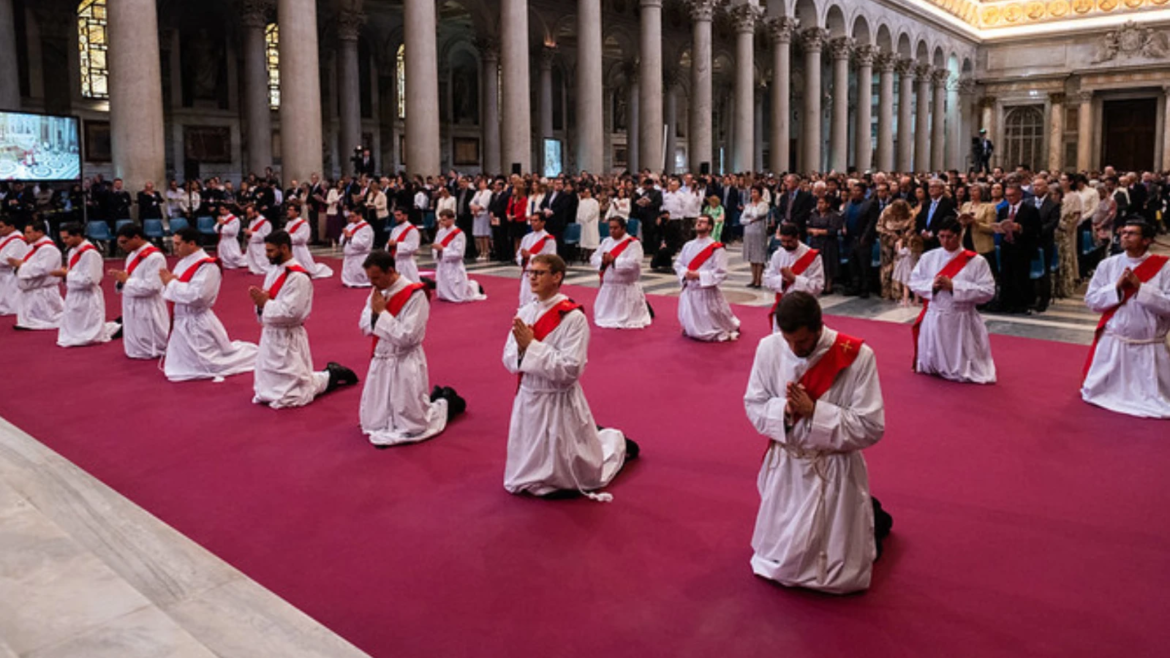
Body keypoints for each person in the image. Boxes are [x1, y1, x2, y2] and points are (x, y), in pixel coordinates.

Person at [745, 291, 890, 594]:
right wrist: (784, 409)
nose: (795, 349)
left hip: (831, 466)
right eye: (789, 341)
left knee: (836, 571)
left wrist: (815, 412)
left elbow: (871, 426)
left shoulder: (857, 356)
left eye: (802, 342)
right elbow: (754, 403)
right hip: (787, 465)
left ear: (819, 327)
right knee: (779, 559)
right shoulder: (769, 348)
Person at [503, 253, 639, 499]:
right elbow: (509, 358)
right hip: (529, 393)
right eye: (530, 272)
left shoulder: (572, 317)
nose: (532, 277)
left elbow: (570, 369)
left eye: (539, 272)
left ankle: (616, 443)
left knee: (569, 470)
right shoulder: (524, 312)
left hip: (557, 398)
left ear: (557, 277)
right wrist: (525, 351)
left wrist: (531, 347)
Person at [359, 250, 465, 446]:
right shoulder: (378, 291)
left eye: (376, 277)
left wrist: (381, 313)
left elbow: (408, 337)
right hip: (382, 357)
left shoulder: (415, 294)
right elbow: (364, 324)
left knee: (412, 423)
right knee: (373, 422)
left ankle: (448, 402)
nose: (372, 283)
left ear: (390, 271)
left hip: (403, 360)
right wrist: (376, 315)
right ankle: (437, 399)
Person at [249, 230, 358, 408]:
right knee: (267, 386)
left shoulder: (298, 277)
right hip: (271, 332)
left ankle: (332, 374)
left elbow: (294, 312)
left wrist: (265, 303)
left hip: (288, 335)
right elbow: (269, 299)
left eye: (270, 251)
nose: (267, 255)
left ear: (284, 248)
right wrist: (261, 304)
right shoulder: (275, 270)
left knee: (296, 392)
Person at [1081, 219, 1170, 418]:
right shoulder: (1108, 264)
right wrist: (1116, 288)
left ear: (1147, 240)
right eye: (1123, 233)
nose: (1125, 236)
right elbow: (1092, 301)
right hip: (1115, 341)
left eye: (1132, 233)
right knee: (1097, 392)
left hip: (1149, 343)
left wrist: (1141, 288)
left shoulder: (1165, 267)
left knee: (1155, 398)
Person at [159, 228, 258, 382]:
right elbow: (174, 289)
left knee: (211, 364)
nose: (175, 248)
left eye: (178, 244)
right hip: (182, 318)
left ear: (192, 244)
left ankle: (257, 355)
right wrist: (170, 284)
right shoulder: (182, 263)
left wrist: (171, 283)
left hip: (197, 319)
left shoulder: (208, 266)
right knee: (181, 365)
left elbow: (199, 296)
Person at [908, 218, 997, 384]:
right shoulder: (929, 257)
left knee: (960, 360)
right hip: (935, 314)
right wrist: (931, 285)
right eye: (941, 236)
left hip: (961, 317)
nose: (945, 241)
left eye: (949, 237)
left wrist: (954, 286)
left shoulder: (976, 261)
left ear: (960, 235)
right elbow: (914, 281)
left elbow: (988, 291)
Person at [676, 214, 740, 342]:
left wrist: (698, 275)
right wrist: (685, 273)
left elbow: (721, 272)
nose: (699, 224)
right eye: (698, 221)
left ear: (710, 227)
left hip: (705, 290)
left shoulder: (716, 248)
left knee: (711, 326)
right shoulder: (688, 245)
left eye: (703, 222)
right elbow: (678, 263)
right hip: (690, 288)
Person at [54, 223, 120, 347]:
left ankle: (117, 329)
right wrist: (66, 274)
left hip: (88, 294)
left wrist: (67, 274)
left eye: (67, 238)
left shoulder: (90, 253)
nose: (64, 241)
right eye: (62, 238)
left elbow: (92, 279)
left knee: (89, 325)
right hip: (75, 292)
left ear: (78, 235)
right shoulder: (73, 251)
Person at [109, 223, 168, 359]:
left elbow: (153, 286)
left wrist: (127, 281)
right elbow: (128, 275)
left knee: (149, 330)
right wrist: (120, 279)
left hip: (148, 303)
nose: (122, 246)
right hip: (132, 299)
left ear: (136, 237)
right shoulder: (132, 255)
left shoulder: (155, 257)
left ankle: (155, 349)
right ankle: (136, 348)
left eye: (125, 242)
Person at [590, 216, 651, 329]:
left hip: (625, 285)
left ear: (623, 228)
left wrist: (614, 261)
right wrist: (603, 261)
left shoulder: (633, 243)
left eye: (615, 228)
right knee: (603, 317)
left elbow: (634, 263)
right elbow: (594, 257)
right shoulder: (606, 241)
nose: (612, 231)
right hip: (609, 285)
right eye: (610, 228)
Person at [764, 222, 824, 331]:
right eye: (783, 241)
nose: (786, 245)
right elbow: (768, 279)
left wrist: (795, 279)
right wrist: (782, 280)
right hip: (783, 305)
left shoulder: (812, 257)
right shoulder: (777, 255)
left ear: (797, 237)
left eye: (789, 241)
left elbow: (818, 286)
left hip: (804, 307)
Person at [7, 218, 63, 330]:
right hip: (32, 289)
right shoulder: (34, 247)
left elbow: (43, 269)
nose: (25, 235)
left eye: (28, 232)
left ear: (40, 232)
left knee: (51, 318)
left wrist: (21, 265)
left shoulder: (49, 249)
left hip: (43, 289)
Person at [993, 183, 1041, 314]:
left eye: (1012, 195)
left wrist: (1020, 228)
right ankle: (1005, 303)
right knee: (1005, 275)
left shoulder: (1030, 210)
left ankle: (1020, 304)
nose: (1010, 198)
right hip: (1006, 247)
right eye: (1007, 196)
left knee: (1021, 277)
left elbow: (1036, 230)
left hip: (1022, 248)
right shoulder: (1003, 210)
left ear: (1020, 195)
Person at [432, 209, 486, 303]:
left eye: (444, 220)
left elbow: (459, 253)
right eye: (441, 219)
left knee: (457, 295)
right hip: (443, 262)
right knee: (443, 291)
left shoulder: (459, 234)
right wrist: (436, 250)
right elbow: (436, 245)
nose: (442, 222)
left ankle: (474, 287)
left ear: (452, 219)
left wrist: (443, 249)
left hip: (453, 265)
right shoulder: (440, 232)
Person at [516, 214, 557, 308]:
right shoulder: (526, 237)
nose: (533, 223)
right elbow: (519, 253)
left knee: (537, 297)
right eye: (531, 221)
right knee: (524, 296)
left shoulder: (548, 239)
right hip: (527, 271)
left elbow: (551, 258)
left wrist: (530, 256)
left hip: (540, 273)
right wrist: (522, 258)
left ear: (543, 222)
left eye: (536, 221)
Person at [285, 202, 334, 278]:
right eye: (288, 210)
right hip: (290, 249)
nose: (288, 212)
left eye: (291, 210)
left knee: (307, 270)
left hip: (299, 250)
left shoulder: (303, 224)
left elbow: (302, 238)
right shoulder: (288, 223)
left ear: (297, 212)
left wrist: (288, 237)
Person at [741, 185, 771, 289]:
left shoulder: (764, 204)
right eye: (752, 192)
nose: (753, 194)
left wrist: (751, 215)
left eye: (755, 192)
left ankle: (759, 279)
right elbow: (742, 219)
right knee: (752, 256)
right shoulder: (748, 205)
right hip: (749, 232)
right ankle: (753, 279)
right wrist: (750, 219)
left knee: (759, 256)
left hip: (759, 232)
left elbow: (758, 214)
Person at [0, 215, 29, 316]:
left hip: (10, 274)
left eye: (1, 227)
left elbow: (8, 260)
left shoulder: (17, 240)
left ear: (11, 227)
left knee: (10, 300)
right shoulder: (4, 238)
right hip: (2, 274)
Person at [340, 211, 374, 288]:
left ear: (360, 215)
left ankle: (362, 282)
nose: (351, 218)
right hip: (350, 255)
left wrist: (351, 237)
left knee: (360, 275)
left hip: (360, 255)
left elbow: (364, 244)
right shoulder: (350, 225)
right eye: (350, 216)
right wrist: (345, 237)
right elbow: (343, 238)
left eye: (353, 216)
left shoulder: (366, 228)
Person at [386, 207, 421, 283]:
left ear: (405, 216)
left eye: (399, 215)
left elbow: (413, 247)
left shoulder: (412, 230)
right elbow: (390, 244)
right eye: (395, 215)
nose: (396, 217)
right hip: (395, 261)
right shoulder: (395, 229)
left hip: (406, 263)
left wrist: (396, 244)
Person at [242, 204, 272, 275]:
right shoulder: (252, 221)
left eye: (250, 213)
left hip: (260, 246)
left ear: (256, 212)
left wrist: (252, 234)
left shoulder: (265, 222)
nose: (249, 216)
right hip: (252, 244)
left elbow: (266, 236)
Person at [214, 205, 246, 269]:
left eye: (223, 209)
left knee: (233, 257)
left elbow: (233, 231)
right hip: (223, 239)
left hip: (230, 240)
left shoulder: (234, 219)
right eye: (220, 210)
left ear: (228, 210)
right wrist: (220, 225)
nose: (221, 211)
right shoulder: (221, 218)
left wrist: (222, 225)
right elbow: (215, 229)